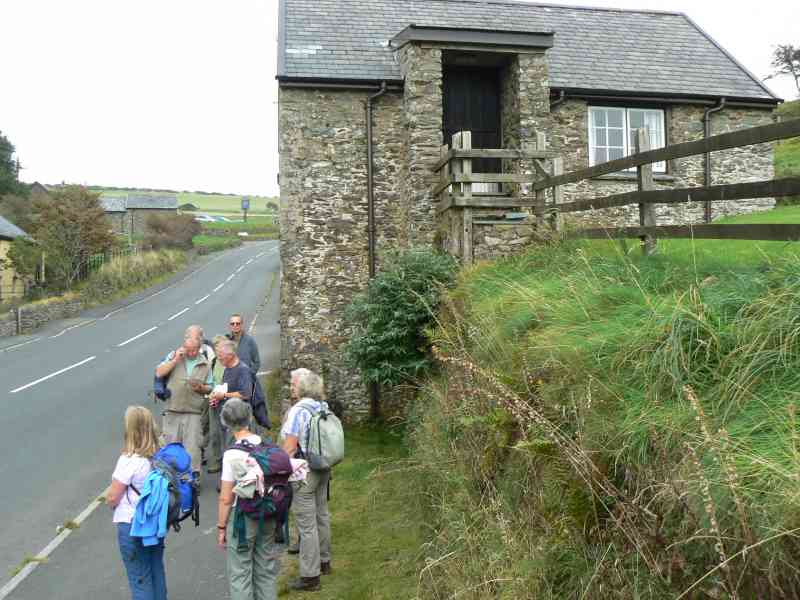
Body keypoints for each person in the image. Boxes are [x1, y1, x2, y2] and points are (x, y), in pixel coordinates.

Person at [217, 399, 283, 600]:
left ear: (226, 422)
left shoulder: (231, 454)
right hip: (268, 511)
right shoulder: (266, 445)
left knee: (240, 573)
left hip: (243, 518)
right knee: (266, 570)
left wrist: (221, 527)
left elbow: (226, 498)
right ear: (249, 418)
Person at [106, 406, 167, 600]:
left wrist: (110, 500)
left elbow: (113, 497)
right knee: (156, 569)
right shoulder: (159, 456)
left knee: (139, 576)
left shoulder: (129, 460)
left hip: (132, 524)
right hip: (155, 523)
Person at [281, 368, 332, 592]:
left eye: (294, 385)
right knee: (322, 515)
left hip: (304, 472)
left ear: (302, 388)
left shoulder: (297, 411)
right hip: (324, 467)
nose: (291, 388)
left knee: (307, 525)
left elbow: (289, 447)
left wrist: (279, 471)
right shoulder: (323, 406)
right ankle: (325, 561)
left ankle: (310, 577)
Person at [155, 335, 213, 484]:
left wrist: (201, 388)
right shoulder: (174, 356)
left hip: (193, 411)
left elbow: (210, 387)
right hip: (172, 410)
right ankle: (170, 479)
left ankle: (192, 480)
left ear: (199, 349)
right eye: (188, 350)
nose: (191, 353)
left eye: (194, 350)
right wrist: (175, 360)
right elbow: (159, 372)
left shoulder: (205, 364)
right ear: (183, 347)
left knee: (193, 448)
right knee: (171, 446)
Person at [206, 334, 229, 475]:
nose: (218, 350)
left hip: (227, 402)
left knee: (227, 433)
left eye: (220, 346)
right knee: (214, 432)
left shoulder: (229, 362)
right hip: (214, 401)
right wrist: (211, 394)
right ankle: (216, 459)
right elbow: (210, 381)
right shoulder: (214, 362)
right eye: (216, 347)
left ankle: (228, 461)